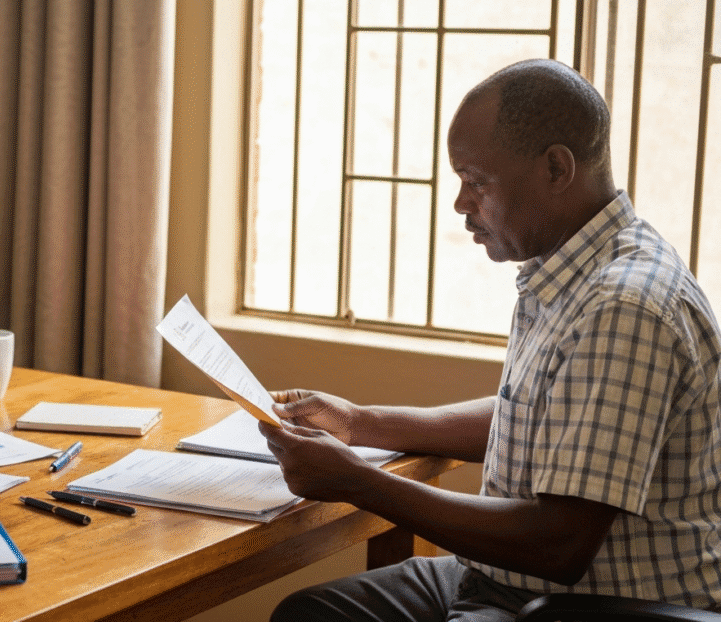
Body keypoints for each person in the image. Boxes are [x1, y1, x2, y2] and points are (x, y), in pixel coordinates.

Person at [260, 58, 721, 621]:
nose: (460, 203)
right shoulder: (573, 266)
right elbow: (537, 417)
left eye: (476, 182)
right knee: (313, 614)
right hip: (508, 582)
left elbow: (558, 545)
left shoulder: (624, 306)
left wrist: (359, 483)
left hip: (594, 604)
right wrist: (360, 423)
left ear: (557, 168)